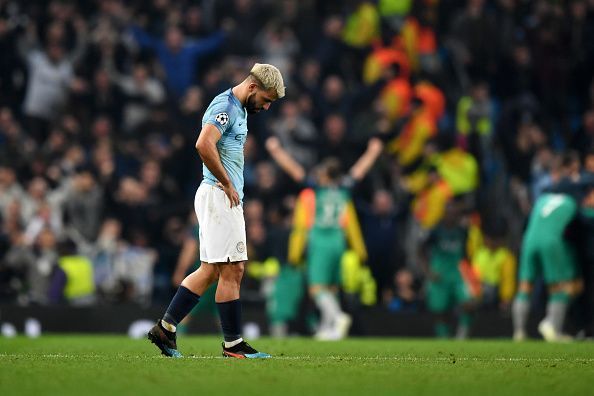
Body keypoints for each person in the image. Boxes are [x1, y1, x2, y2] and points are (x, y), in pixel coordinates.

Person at [148, 63, 285, 358]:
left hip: (219, 196)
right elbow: (203, 144)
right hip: (219, 195)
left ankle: (166, 329)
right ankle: (233, 344)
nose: (268, 106)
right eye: (267, 99)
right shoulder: (226, 107)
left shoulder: (241, 108)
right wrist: (227, 183)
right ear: (252, 87)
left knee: (210, 270)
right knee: (233, 268)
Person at [265, 135, 383, 340]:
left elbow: (294, 169)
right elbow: (360, 170)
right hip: (339, 239)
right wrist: (373, 151)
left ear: (327, 175)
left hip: (320, 238)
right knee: (331, 286)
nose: (318, 174)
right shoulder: (345, 186)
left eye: (321, 172)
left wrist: (276, 151)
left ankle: (337, 317)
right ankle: (328, 328)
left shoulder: (317, 187)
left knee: (316, 288)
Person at [512, 187, 586, 342]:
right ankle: (553, 326)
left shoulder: (542, 200)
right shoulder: (571, 203)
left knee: (525, 287)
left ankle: (519, 332)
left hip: (530, 240)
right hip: (553, 242)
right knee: (560, 287)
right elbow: (582, 225)